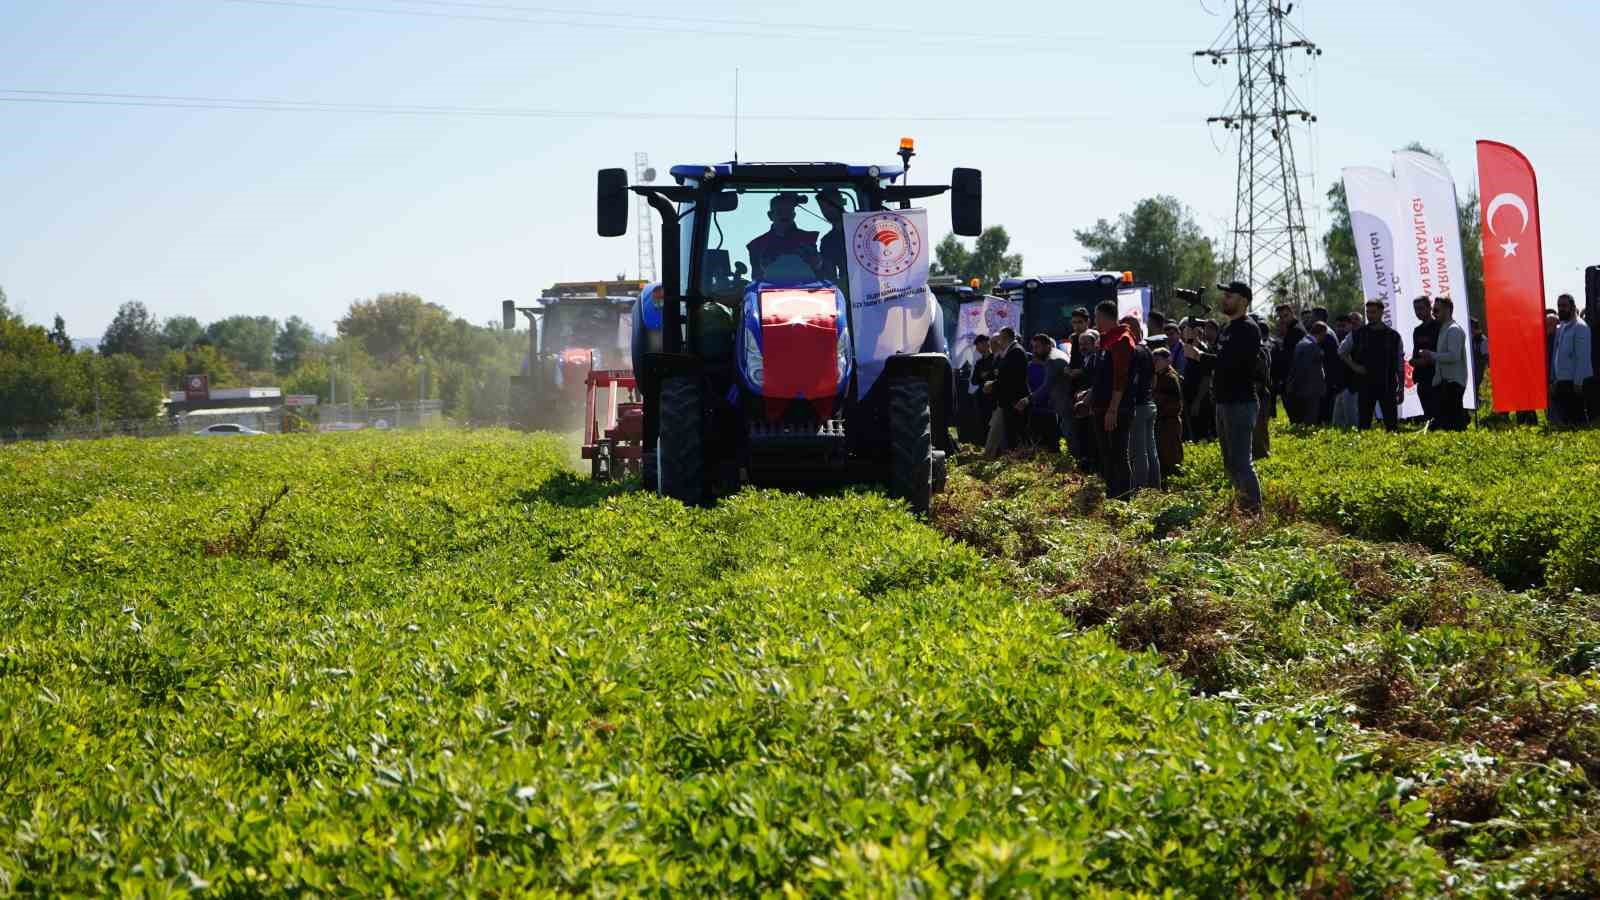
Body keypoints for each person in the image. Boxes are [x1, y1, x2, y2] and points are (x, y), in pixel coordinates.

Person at [1186, 282, 1262, 514]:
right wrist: (1195, 345)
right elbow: (1219, 358)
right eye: (1225, 295)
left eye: (1230, 296)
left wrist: (1200, 357)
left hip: (1240, 403)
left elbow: (1231, 364)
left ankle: (1253, 513)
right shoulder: (1228, 329)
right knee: (1230, 463)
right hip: (1224, 401)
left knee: (1241, 462)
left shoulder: (1247, 329)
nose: (1225, 299)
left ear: (1244, 301)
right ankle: (1241, 508)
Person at [1091, 301, 1136, 500]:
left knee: (1118, 454)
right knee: (1106, 454)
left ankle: (1124, 499)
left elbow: (1120, 377)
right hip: (1100, 406)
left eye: (1096, 316)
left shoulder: (1122, 340)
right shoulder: (1105, 340)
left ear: (1104, 317)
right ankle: (1111, 495)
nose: (1094, 321)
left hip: (1116, 408)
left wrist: (1113, 409)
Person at [1344, 300, 1404, 431]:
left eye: (1373, 312)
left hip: (1387, 385)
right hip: (1365, 385)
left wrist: (1401, 388)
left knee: (1392, 426)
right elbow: (1341, 352)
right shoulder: (1358, 333)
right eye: (1367, 312)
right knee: (1364, 425)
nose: (1370, 315)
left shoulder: (1393, 336)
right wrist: (1355, 367)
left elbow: (1400, 364)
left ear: (1381, 312)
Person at [1123, 316, 1161, 491]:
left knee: (1138, 453)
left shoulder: (1132, 351)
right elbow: (1154, 378)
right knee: (1150, 450)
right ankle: (1155, 487)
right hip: (1148, 403)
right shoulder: (1147, 350)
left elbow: (1128, 381)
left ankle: (1140, 490)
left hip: (1137, 406)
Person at [1420, 296, 1469, 431]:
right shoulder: (1444, 328)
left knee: (1455, 424)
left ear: (1447, 310)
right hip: (1445, 382)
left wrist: (1431, 355)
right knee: (1448, 423)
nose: (1433, 314)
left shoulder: (1453, 329)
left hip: (1453, 382)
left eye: (1436, 310)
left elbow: (1454, 356)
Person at [746, 193, 820, 281]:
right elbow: (757, 279)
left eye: (788, 211)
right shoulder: (756, 245)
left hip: (808, 291)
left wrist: (817, 261)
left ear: (793, 215)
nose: (784, 215)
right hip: (770, 292)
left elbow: (819, 272)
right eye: (779, 211)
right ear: (770, 215)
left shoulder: (809, 239)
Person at [1552, 293, 1593, 427]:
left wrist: (1578, 382)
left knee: (1578, 421)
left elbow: (1583, 358)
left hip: (1575, 383)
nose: (1561, 309)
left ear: (1572, 307)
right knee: (1566, 422)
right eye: (1559, 306)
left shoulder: (1580, 327)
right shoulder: (1562, 327)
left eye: (1564, 306)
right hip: (1563, 381)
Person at [991, 327, 1030, 453]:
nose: (998, 343)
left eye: (1000, 339)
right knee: (1011, 433)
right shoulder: (1011, 351)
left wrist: (993, 384)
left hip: (1014, 400)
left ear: (1005, 338)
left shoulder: (1016, 351)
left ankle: (1019, 460)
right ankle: (1015, 457)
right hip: (1009, 400)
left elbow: (1011, 378)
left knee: (1017, 433)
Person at [1070, 330, 1102, 471]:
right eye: (1080, 344)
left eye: (1086, 344)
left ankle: (1094, 466)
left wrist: (1086, 393)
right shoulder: (1085, 359)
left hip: (1093, 403)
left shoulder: (1097, 359)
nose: (1082, 347)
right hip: (1083, 403)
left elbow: (1097, 382)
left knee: (1093, 436)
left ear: (1095, 343)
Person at [1152, 346, 1185, 485]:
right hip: (1161, 422)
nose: (1155, 363)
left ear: (1167, 360)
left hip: (1169, 422)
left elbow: (1174, 403)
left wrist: (1156, 399)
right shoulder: (1158, 376)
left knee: (1171, 455)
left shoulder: (1170, 378)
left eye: (1158, 360)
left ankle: (1175, 484)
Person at [1272, 302, 1307, 422]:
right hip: (1293, 377)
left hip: (1295, 378)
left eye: (1286, 316)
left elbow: (1291, 357)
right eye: (1281, 317)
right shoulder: (1291, 329)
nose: (1283, 319)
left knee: (1297, 416)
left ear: (1292, 313)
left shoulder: (1296, 331)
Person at [1288, 321, 1329, 426]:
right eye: (1324, 335)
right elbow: (1308, 369)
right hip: (1311, 388)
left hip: (1302, 387)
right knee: (1310, 418)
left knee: (1304, 417)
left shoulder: (1302, 342)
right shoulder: (1311, 346)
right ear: (1322, 333)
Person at [1410, 295, 1441, 426]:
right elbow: (1415, 356)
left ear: (1429, 308)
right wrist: (1414, 362)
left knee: (1439, 414)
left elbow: (1443, 354)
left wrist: (1429, 360)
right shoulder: (1417, 331)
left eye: (1421, 308)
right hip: (1422, 378)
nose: (1418, 312)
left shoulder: (1439, 327)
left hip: (1437, 378)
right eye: (1416, 309)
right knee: (1428, 414)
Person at [815, 188, 849, 284]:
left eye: (831, 205)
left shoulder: (862, 227)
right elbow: (830, 277)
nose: (827, 210)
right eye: (823, 207)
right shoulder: (827, 241)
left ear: (841, 203)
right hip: (847, 288)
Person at [969, 334, 998, 445]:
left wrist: (985, 376)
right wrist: (983, 376)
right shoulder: (979, 363)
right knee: (983, 423)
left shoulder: (995, 359)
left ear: (986, 344)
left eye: (978, 345)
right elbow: (974, 380)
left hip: (993, 398)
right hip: (982, 398)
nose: (977, 348)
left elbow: (996, 376)